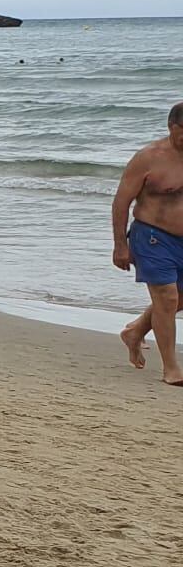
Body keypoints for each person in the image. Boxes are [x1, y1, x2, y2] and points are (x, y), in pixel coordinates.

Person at [113, 101, 183, 385]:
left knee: (179, 298)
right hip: (152, 236)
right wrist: (120, 245)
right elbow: (121, 201)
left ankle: (135, 331)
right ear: (173, 128)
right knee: (166, 298)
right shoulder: (149, 157)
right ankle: (171, 369)